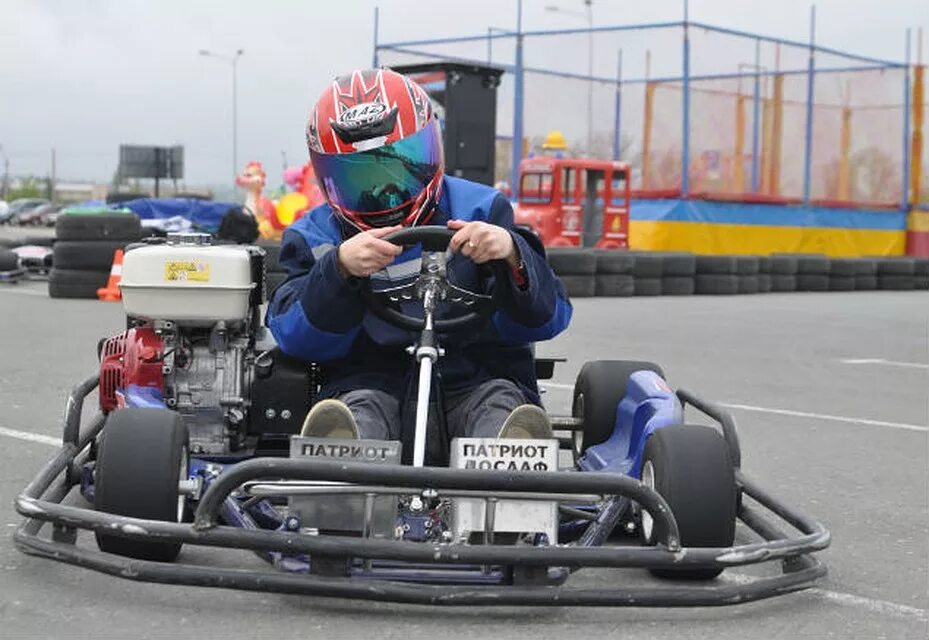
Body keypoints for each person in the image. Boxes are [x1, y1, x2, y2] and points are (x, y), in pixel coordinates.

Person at [266, 69, 572, 455]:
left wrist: (512, 254)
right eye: (362, 179)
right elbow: (296, 337)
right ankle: (342, 479)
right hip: (372, 385)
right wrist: (338, 271)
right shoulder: (317, 238)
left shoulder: (480, 210)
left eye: (400, 167)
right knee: (355, 415)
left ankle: (507, 465)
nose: (386, 192)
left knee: (498, 405)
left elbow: (548, 318)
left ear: (431, 147)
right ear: (328, 177)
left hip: (475, 382)